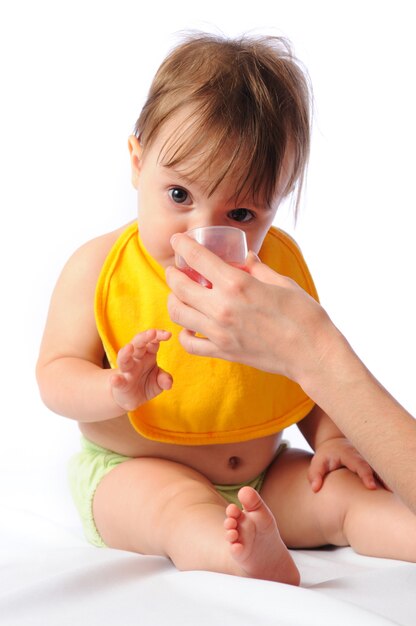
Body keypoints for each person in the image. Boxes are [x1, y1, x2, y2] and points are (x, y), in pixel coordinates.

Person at [36, 32, 416, 586]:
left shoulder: (274, 272)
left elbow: (306, 372)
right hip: (136, 470)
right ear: (138, 163)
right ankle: (239, 556)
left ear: (277, 201)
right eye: (179, 196)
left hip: (264, 475)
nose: (205, 233)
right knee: (176, 511)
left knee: (343, 493)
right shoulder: (99, 267)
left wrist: (331, 440)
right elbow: (53, 375)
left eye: (240, 213)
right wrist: (113, 391)